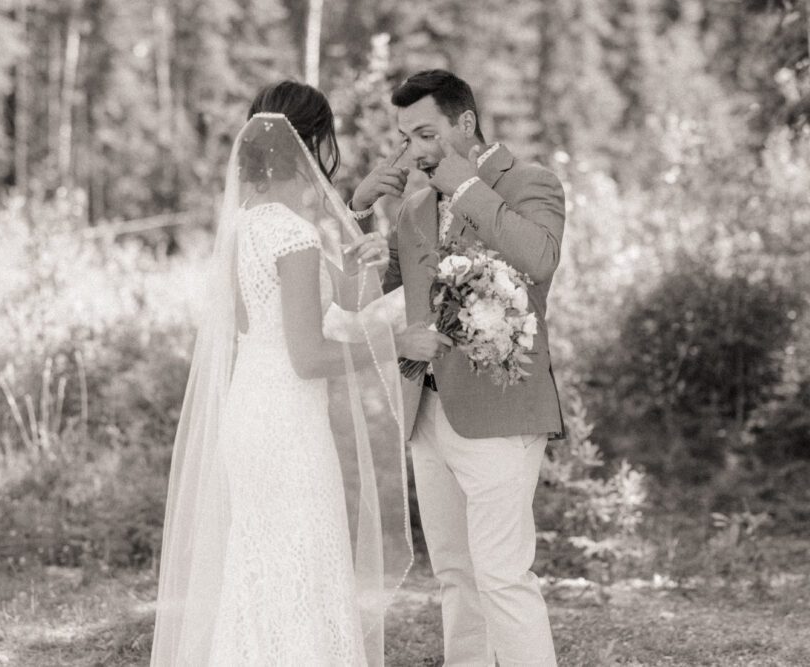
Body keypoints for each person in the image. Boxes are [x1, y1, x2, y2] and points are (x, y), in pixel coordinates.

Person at [150, 80, 413, 666]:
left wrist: (367, 253)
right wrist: (395, 344)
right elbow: (308, 356)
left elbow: (340, 296)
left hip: (252, 411)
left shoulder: (250, 222)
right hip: (287, 424)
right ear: (315, 142)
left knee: (263, 569)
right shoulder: (292, 233)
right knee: (302, 560)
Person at [348, 68, 566, 666]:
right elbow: (360, 287)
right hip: (426, 410)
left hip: (500, 409)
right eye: (406, 138)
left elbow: (540, 259)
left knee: (501, 574)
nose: (412, 151)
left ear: (464, 123)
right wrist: (359, 205)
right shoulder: (416, 205)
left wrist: (467, 188)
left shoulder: (530, 182)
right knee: (454, 574)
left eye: (425, 134)